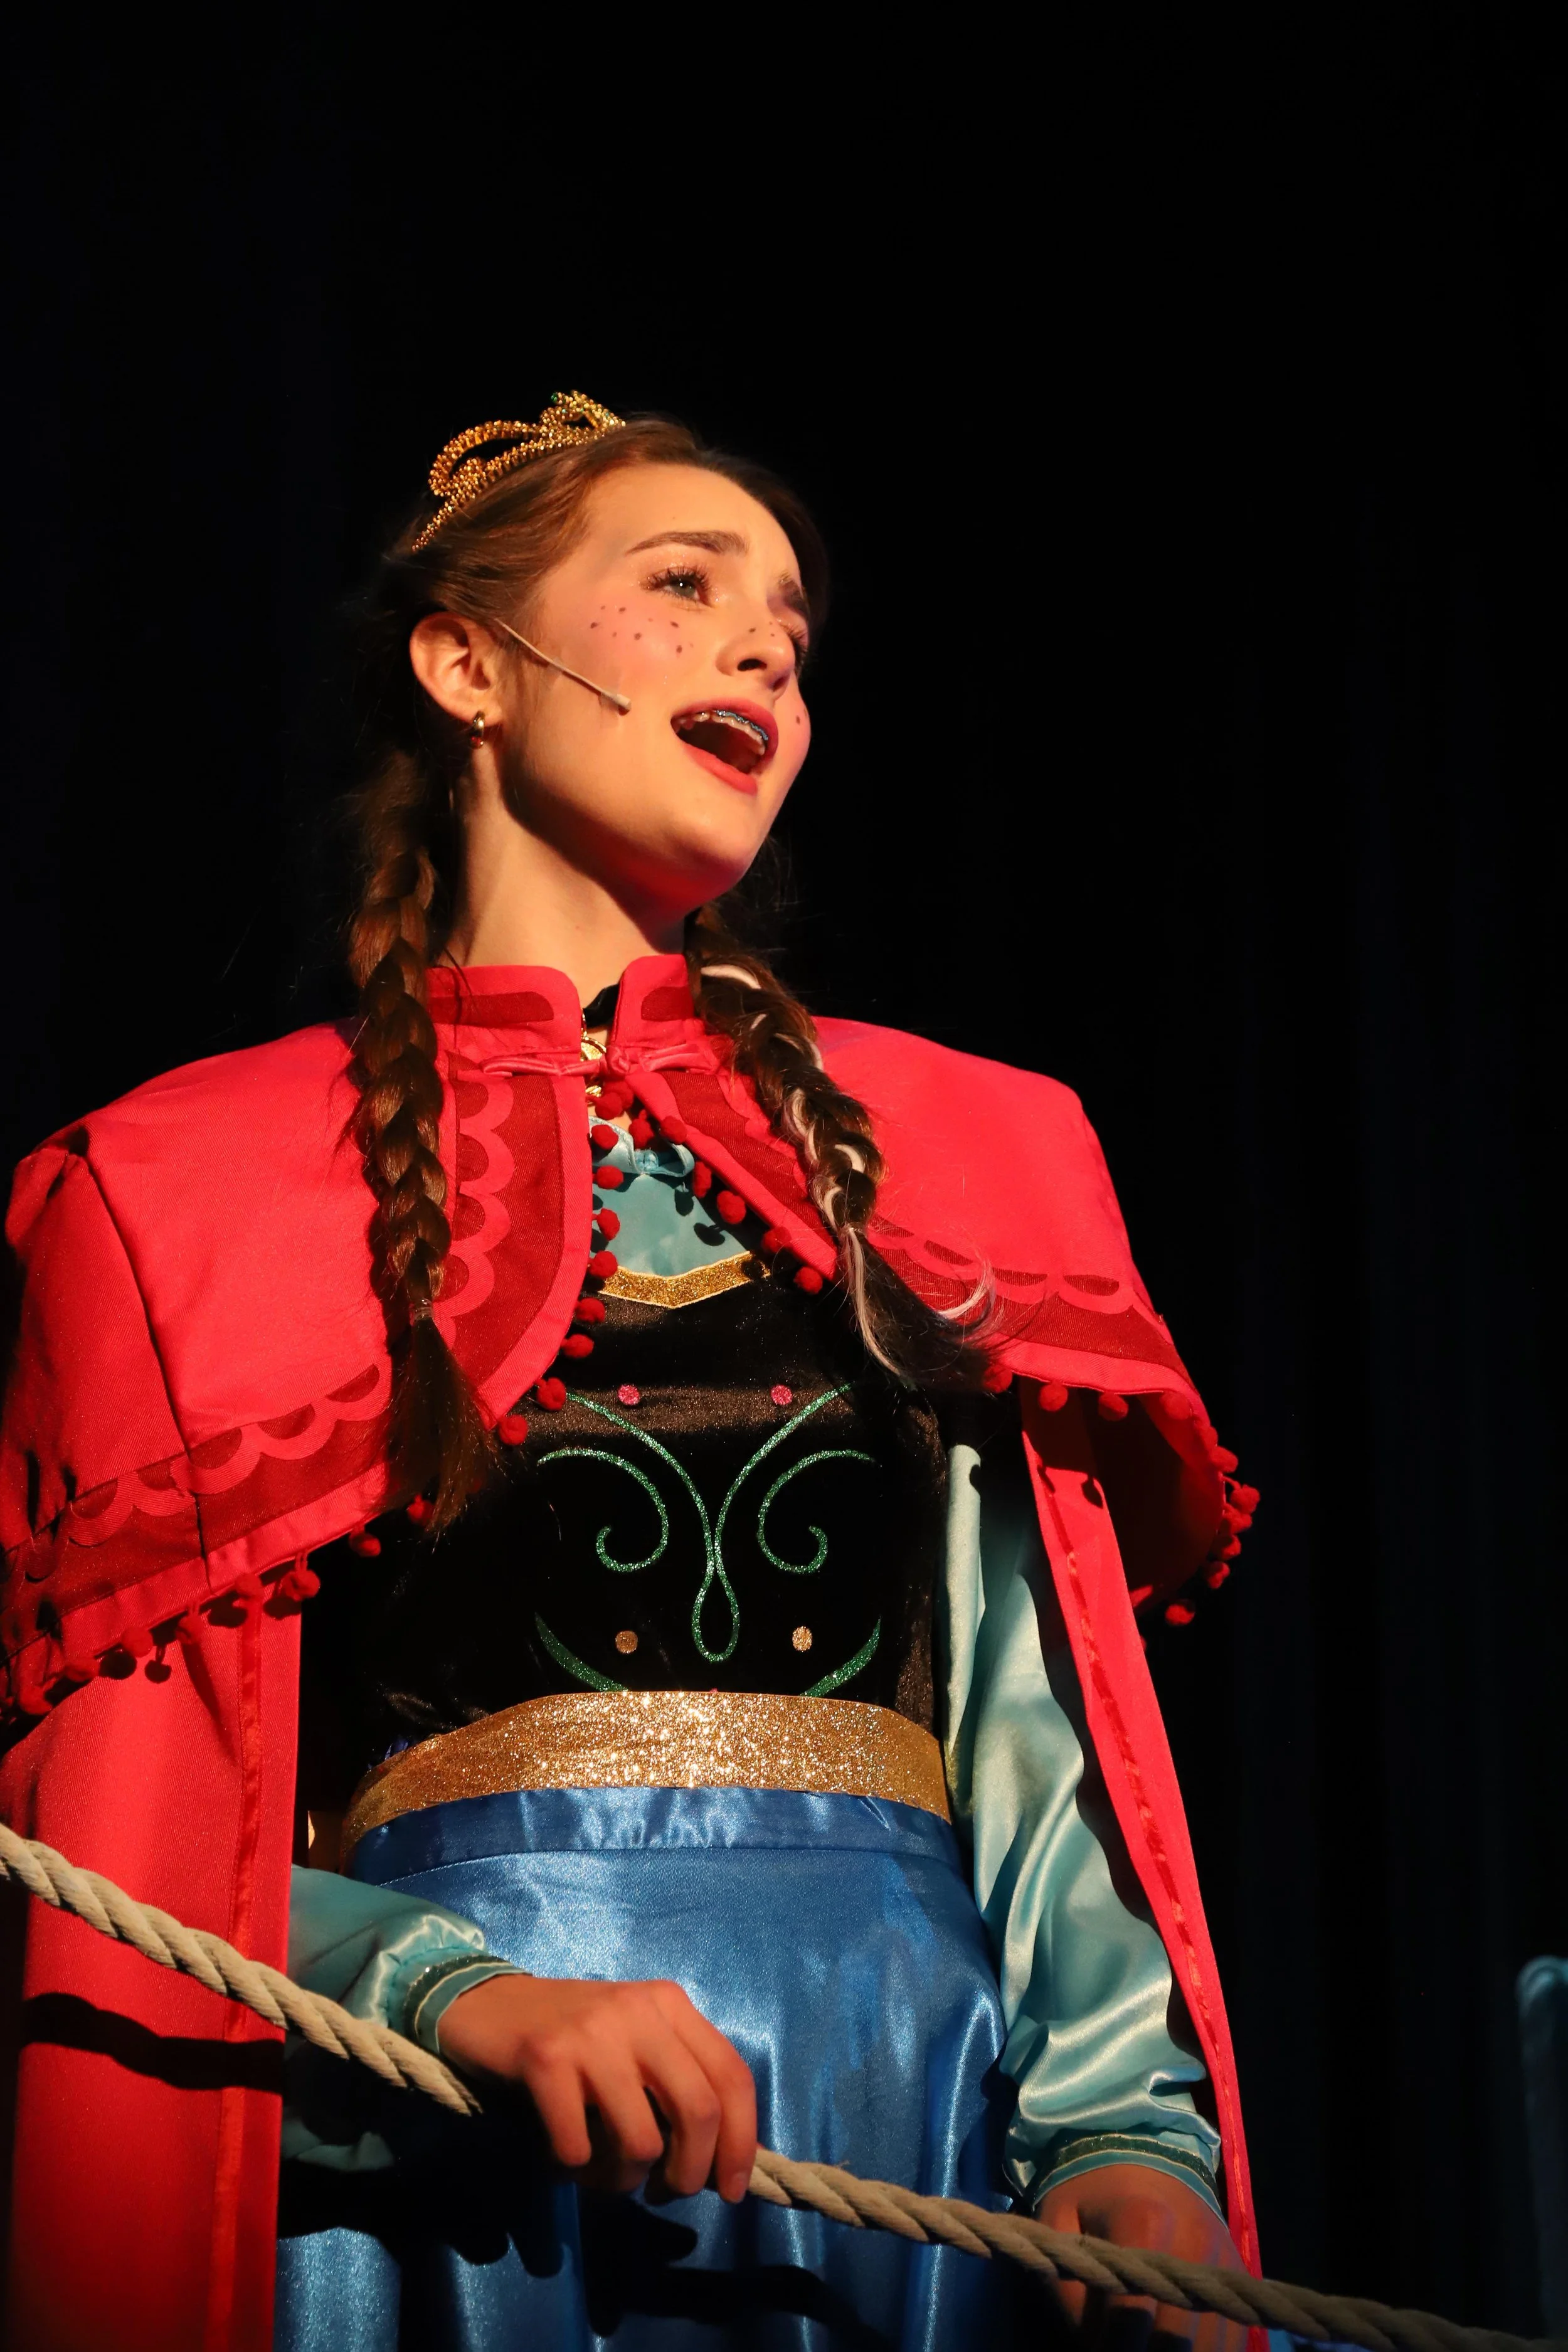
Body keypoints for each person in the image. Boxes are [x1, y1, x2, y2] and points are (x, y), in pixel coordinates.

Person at [0, 394, 1262, 2352]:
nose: (765, 640)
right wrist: (440, 1988)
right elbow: (104, 1835)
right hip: (431, 2151)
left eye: (787, 623)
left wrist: (1127, 2123)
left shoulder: (963, 1152)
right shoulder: (177, 1190)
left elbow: (1034, 1700)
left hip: (898, 2099)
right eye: (681, 584)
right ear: (465, 663)